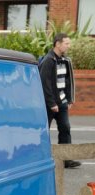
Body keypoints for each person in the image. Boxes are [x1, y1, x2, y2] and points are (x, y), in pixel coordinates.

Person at [39, 33, 80, 168]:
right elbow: (45, 83)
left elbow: (67, 81)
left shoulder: (64, 60)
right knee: (43, 131)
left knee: (65, 129)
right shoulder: (48, 60)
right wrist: (51, 103)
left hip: (61, 103)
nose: (69, 46)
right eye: (66, 43)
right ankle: (39, 159)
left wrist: (68, 100)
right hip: (49, 104)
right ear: (57, 44)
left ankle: (66, 159)